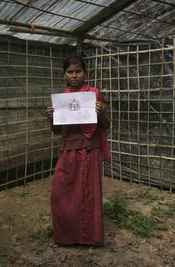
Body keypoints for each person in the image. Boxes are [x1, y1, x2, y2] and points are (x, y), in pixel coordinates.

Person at [45, 55, 111, 246]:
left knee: (88, 194)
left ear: (85, 73)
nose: (74, 76)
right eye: (70, 72)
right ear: (64, 75)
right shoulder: (62, 99)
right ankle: (67, 235)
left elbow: (106, 126)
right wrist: (51, 117)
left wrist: (102, 112)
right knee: (61, 191)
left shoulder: (95, 95)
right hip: (69, 150)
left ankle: (88, 237)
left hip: (90, 150)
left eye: (78, 71)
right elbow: (57, 131)